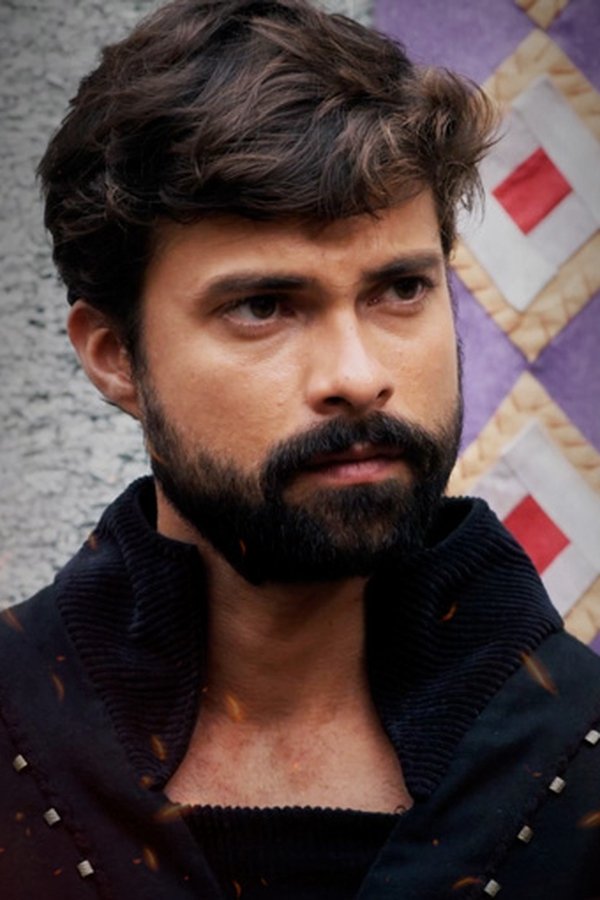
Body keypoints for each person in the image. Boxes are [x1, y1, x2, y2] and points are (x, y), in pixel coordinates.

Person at [1, 0, 599, 897]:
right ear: (116, 356)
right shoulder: (19, 732)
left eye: (400, 289)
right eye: (263, 306)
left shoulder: (578, 751)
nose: (357, 376)